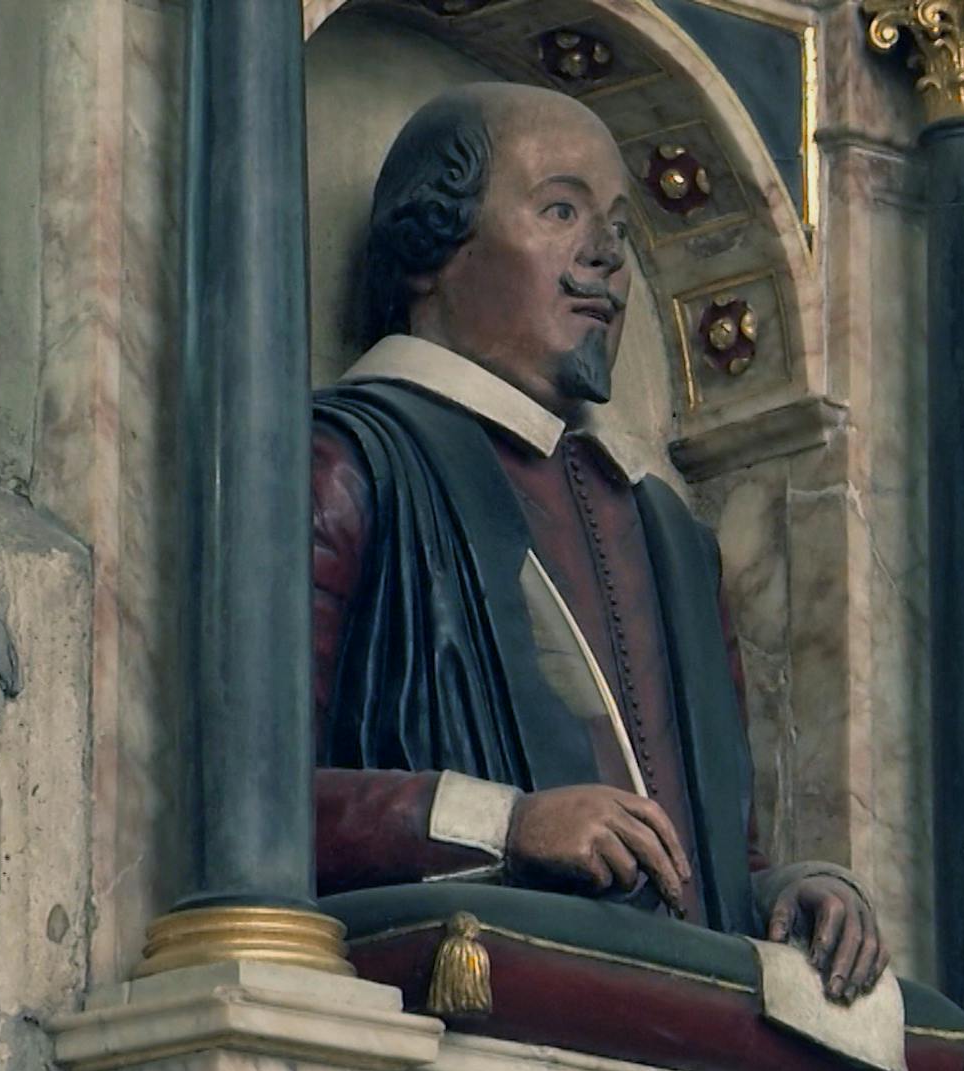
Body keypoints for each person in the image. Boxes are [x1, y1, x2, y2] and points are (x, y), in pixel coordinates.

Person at [310, 82, 887, 1003]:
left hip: (661, 1007)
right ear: (430, 246)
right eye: (560, 211)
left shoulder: (669, 537)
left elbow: (704, 862)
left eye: (617, 226)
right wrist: (508, 826)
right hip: (457, 995)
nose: (607, 256)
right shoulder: (347, 461)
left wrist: (786, 894)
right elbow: (252, 802)